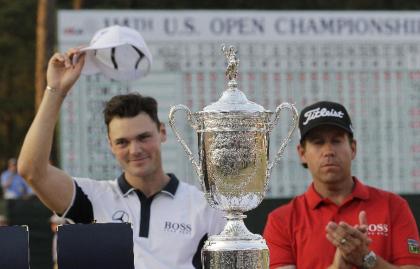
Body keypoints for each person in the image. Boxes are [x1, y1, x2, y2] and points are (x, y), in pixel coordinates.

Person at [18, 48, 225, 269]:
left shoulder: (205, 207)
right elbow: (32, 171)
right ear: (110, 145)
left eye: (143, 137)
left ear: (162, 132)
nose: (135, 150)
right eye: (122, 142)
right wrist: (56, 90)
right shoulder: (93, 199)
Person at [263, 101, 420, 269]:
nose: (328, 151)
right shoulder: (281, 221)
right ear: (302, 153)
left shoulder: (393, 206)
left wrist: (367, 258)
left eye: (336, 141)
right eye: (318, 142)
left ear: (353, 148)